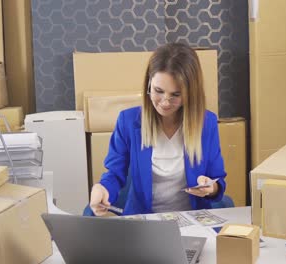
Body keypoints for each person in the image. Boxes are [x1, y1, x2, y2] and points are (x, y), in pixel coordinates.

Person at [89, 42, 226, 216]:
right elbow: (115, 174)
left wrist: (210, 187)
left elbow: (218, 180)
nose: (165, 102)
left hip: (192, 220)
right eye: (158, 91)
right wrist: (102, 189)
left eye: (175, 95)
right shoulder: (128, 122)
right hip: (144, 222)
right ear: (149, 84)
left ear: (190, 93)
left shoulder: (207, 123)